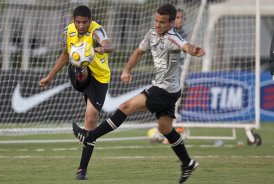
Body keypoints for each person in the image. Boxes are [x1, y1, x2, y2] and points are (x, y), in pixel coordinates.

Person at [72, 3, 205, 184]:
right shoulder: (151, 33)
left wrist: (194, 50)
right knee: (165, 128)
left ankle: (89, 136)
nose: (158, 25)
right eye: (156, 20)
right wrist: (127, 69)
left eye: (163, 22)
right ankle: (187, 163)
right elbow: (139, 51)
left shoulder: (173, 38)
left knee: (125, 107)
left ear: (172, 23)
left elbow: (186, 45)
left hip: (164, 91)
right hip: (168, 89)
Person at [39, 5, 114, 180]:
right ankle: (82, 71)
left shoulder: (97, 30)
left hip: (100, 78)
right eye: (77, 22)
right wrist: (50, 77)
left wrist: (103, 48)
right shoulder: (67, 31)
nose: (81, 26)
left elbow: (109, 44)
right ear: (73, 20)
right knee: (79, 63)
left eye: (84, 22)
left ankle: (81, 170)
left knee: (91, 120)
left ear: (91, 20)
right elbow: (65, 55)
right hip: (78, 74)